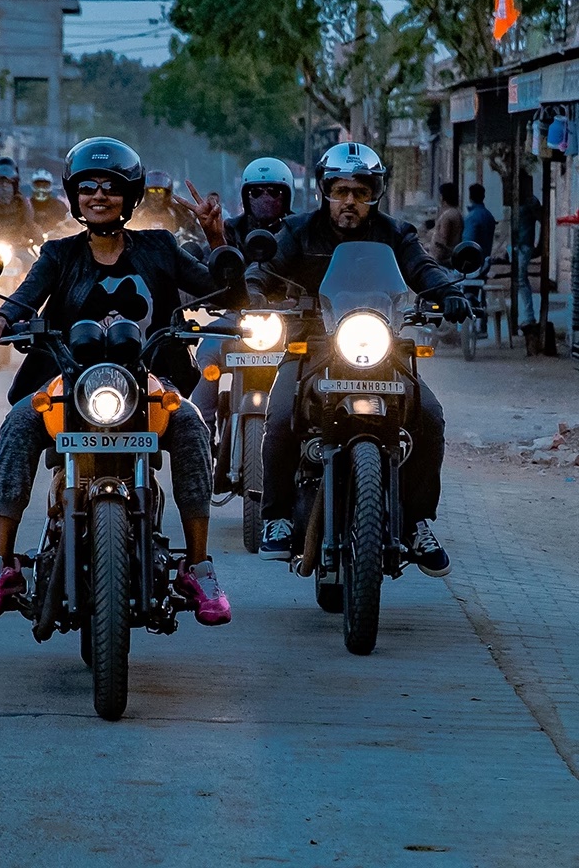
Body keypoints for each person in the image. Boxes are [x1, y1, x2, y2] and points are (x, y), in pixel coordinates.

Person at [0, 137, 235, 626]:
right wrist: (0, 320)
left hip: (150, 380)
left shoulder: (160, 247)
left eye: (111, 186)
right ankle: (0, 564)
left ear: (130, 196)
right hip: (68, 382)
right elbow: (23, 299)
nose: (99, 195)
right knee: (20, 423)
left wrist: (216, 238)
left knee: (193, 426)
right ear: (73, 195)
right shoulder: (58, 254)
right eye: (87, 186)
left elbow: (224, 290)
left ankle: (198, 567)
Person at [246, 142, 469, 576]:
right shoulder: (298, 230)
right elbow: (267, 265)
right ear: (325, 191)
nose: (350, 201)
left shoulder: (394, 232)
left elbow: (422, 267)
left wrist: (449, 292)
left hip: (381, 348)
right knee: (277, 416)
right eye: (341, 190)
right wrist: (255, 291)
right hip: (311, 345)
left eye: (361, 192)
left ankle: (418, 520)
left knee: (430, 415)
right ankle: (275, 517)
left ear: (375, 195)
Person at [190, 157, 295, 446]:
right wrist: (214, 240)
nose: (265, 198)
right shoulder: (228, 230)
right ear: (245, 196)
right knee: (207, 356)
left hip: (291, 321)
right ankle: (200, 436)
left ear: (287, 196)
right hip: (237, 318)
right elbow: (205, 266)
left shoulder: (299, 231)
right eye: (256, 192)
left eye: (274, 192)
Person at [0, 159, 43, 245]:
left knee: (32, 258)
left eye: (8, 183)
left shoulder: (23, 203)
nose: (4, 187)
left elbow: (31, 224)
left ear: (15, 186)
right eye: (0, 183)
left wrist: (39, 240)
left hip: (17, 247)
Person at [516, 173, 543, 355]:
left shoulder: (531, 202)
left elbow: (543, 221)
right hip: (516, 245)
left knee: (521, 279)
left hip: (525, 245)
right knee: (518, 280)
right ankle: (525, 316)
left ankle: (529, 316)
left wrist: (540, 246)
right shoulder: (517, 202)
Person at [130, 170, 200, 235]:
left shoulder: (178, 210)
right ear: (146, 193)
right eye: (152, 190)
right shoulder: (137, 211)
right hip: (143, 246)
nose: (156, 194)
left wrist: (188, 233)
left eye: (160, 190)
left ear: (167, 193)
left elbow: (195, 232)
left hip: (173, 246)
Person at [429, 182, 464, 268]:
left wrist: (435, 257)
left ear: (442, 196)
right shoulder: (456, 213)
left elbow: (444, 240)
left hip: (442, 262)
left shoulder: (448, 216)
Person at [462, 183, 496, 262]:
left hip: (472, 263)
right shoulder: (489, 216)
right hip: (484, 260)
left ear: (470, 197)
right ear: (483, 196)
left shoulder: (472, 217)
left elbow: (467, 243)